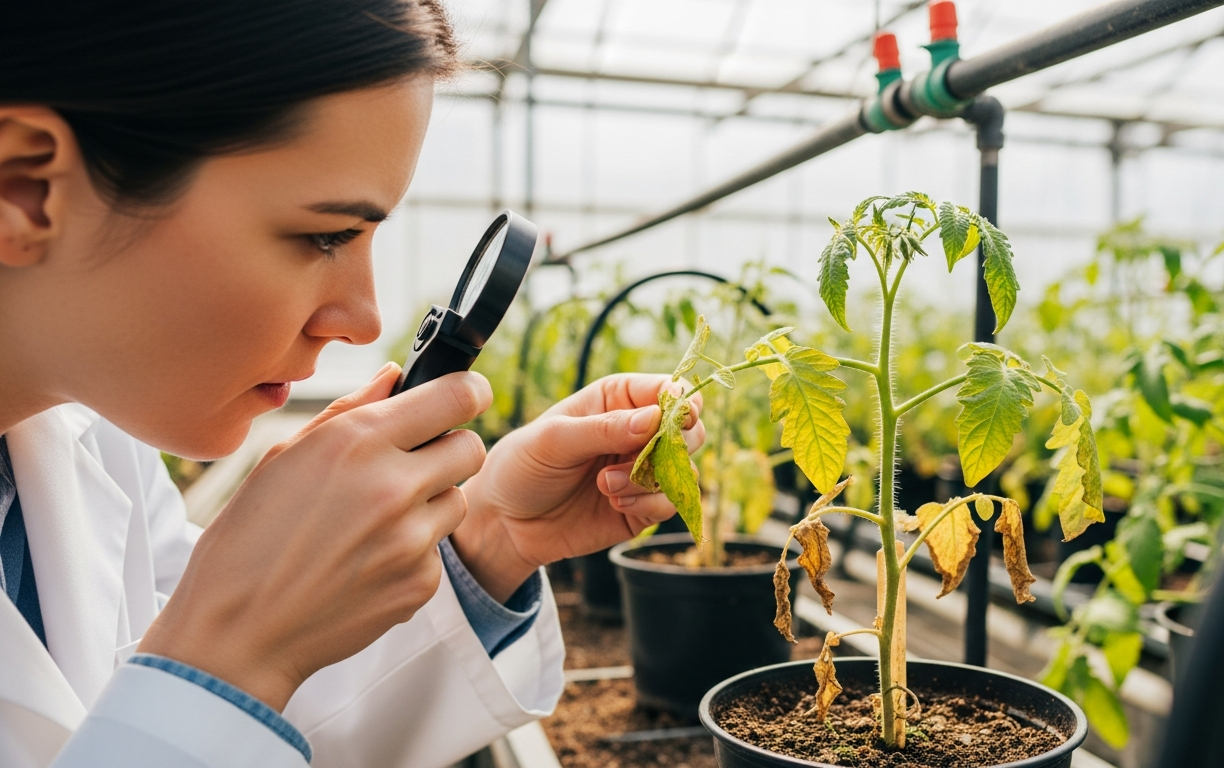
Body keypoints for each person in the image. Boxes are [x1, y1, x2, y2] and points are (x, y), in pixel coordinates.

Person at [0, 2, 705, 766]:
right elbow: (189, 696)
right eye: (323, 235)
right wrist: (231, 649)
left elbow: (199, 712)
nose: (364, 322)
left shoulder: (97, 449)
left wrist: (490, 537)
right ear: (26, 184)